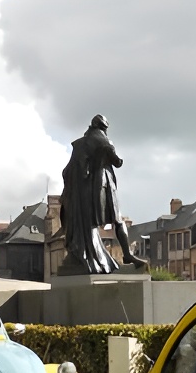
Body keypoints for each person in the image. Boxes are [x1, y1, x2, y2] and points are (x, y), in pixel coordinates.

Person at [57, 114, 141, 274]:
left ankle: (90, 253)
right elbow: (117, 162)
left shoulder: (80, 143)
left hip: (86, 189)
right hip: (104, 184)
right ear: (104, 127)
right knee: (117, 219)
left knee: (91, 222)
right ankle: (127, 254)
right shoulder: (105, 142)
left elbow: (70, 170)